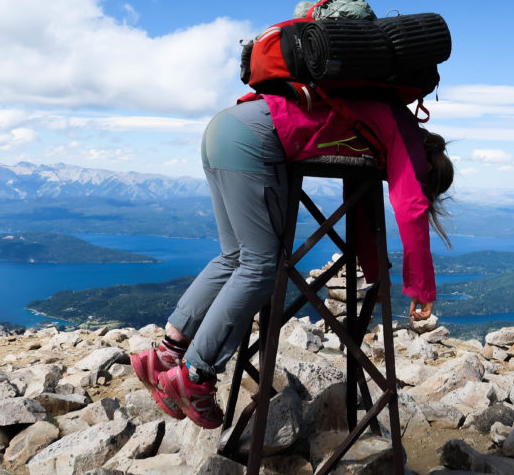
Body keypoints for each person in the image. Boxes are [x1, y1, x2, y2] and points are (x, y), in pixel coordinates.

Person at [129, 90, 454, 429]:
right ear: (428, 168)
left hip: (224, 128)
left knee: (234, 257)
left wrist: (375, 269)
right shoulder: (408, 138)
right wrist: (421, 287)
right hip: (254, 140)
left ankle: (166, 354)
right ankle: (196, 374)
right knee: (260, 267)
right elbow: (412, 210)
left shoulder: (380, 111)